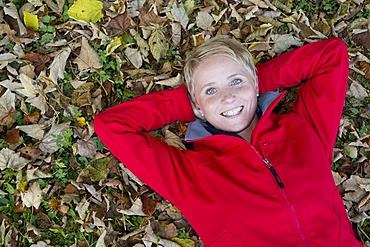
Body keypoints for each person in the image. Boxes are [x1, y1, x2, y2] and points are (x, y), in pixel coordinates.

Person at [94, 36, 364, 246]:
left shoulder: (303, 131)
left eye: (236, 82)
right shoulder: (189, 175)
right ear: (196, 107)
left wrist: (251, 85)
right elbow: (113, 126)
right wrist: (196, 104)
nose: (227, 97)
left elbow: (330, 55)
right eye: (212, 90)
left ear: (256, 85)